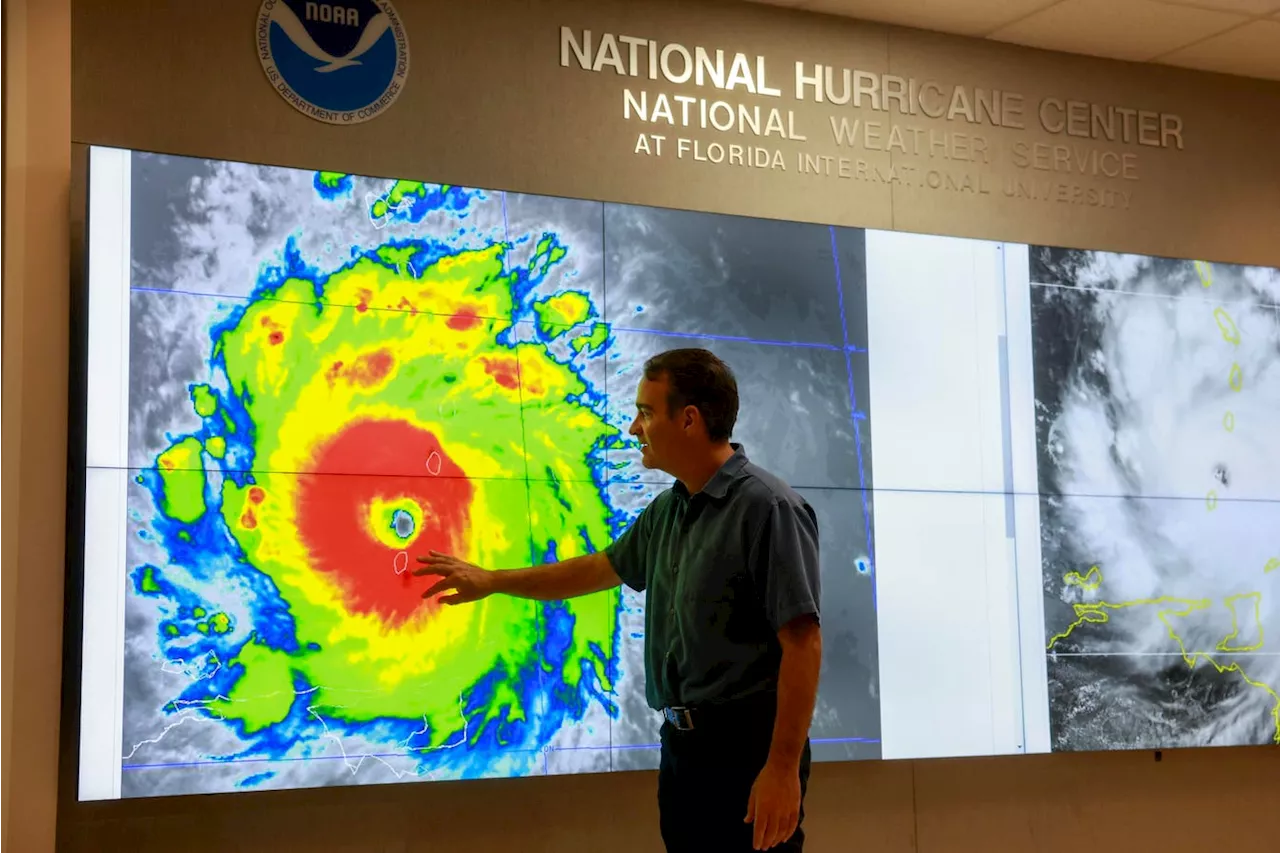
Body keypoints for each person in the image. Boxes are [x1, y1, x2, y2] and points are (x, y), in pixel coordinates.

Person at [414, 347, 823, 852]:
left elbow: (803, 643)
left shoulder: (768, 508)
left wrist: (782, 771)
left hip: (747, 753)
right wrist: (493, 580)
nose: (634, 428)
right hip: (682, 752)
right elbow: (598, 569)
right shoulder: (667, 511)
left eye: (646, 413)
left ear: (689, 419)